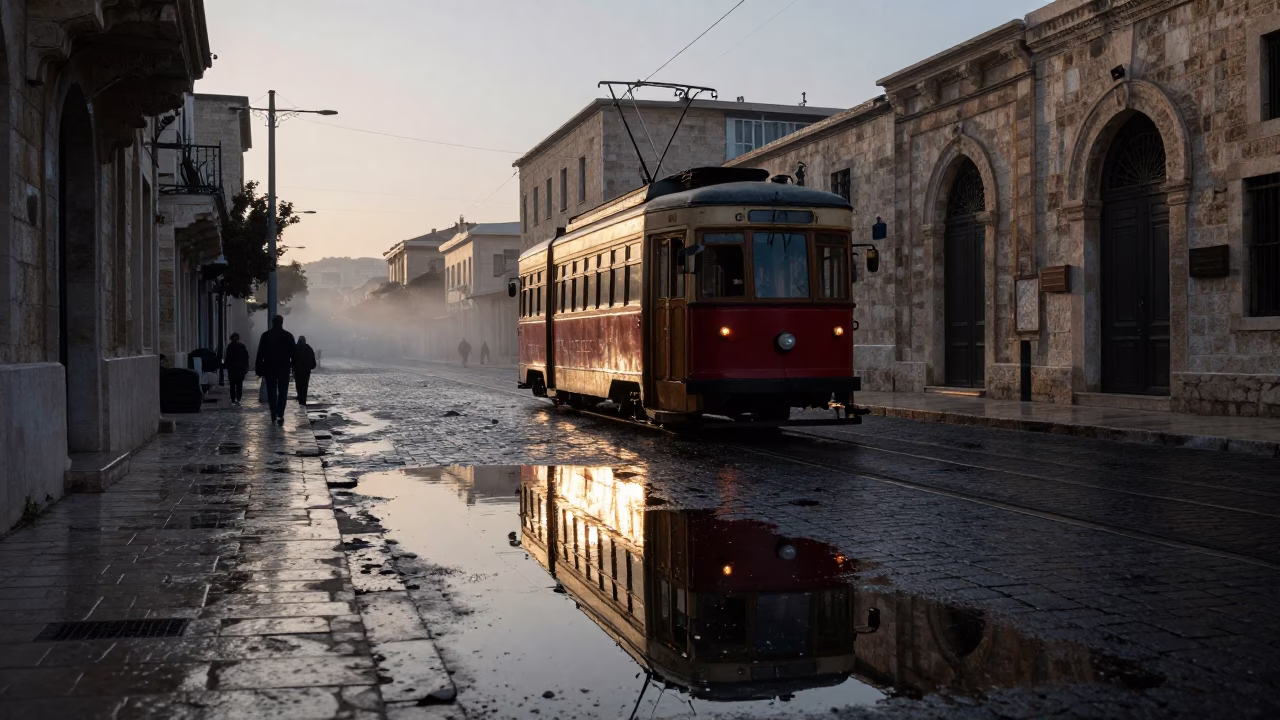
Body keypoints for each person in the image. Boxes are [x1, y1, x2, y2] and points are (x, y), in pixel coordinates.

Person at [255, 315, 295, 425]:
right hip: (284, 367)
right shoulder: (288, 336)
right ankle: (280, 413)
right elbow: (294, 354)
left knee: (271, 391)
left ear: (273, 323)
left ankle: (273, 412)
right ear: (282, 322)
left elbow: (260, 353)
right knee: (283, 391)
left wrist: (258, 369)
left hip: (269, 367)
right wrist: (294, 368)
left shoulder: (266, 336)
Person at [224, 333, 250, 405]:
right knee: (239, 384)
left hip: (233, 368)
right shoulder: (241, 346)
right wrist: (246, 367)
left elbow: (227, 358)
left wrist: (226, 366)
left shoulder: (230, 347)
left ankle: (234, 398)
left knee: (233, 384)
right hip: (239, 368)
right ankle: (238, 398)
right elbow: (246, 357)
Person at [294, 336, 318, 406]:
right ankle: (303, 399)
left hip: (298, 370)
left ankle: (300, 397)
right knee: (305, 384)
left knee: (298, 384)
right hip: (306, 370)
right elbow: (313, 361)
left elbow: (293, 359)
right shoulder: (308, 348)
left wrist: (293, 367)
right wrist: (310, 367)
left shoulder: (296, 348)